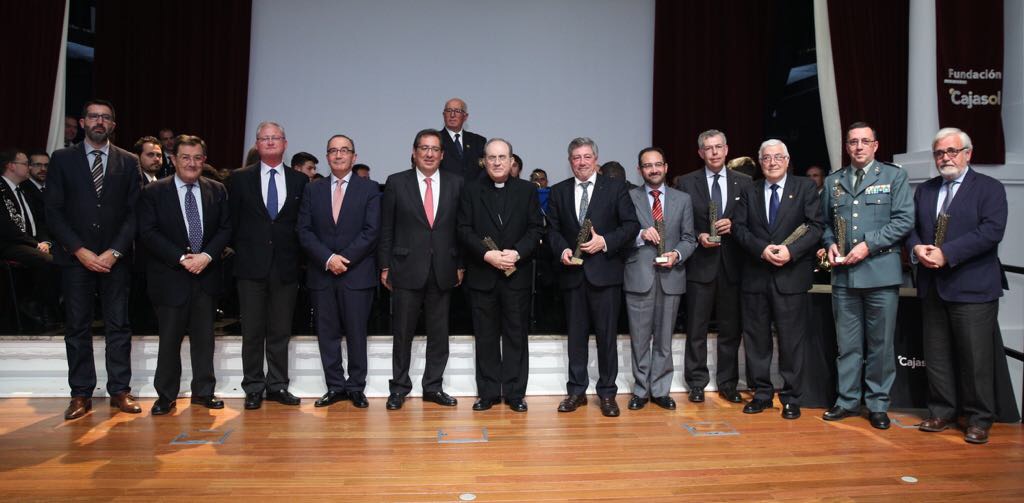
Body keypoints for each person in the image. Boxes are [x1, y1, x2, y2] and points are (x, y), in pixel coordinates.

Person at [908, 128, 1008, 444]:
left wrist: (947, 254)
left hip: (973, 287)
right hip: (932, 286)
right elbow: (910, 229)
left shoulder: (989, 188)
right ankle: (942, 412)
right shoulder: (924, 190)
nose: (945, 158)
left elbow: (991, 231)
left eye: (952, 151)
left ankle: (979, 419)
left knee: (976, 358)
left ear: (968, 153)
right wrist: (917, 249)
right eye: (939, 153)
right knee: (936, 355)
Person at [46, 99, 141, 420]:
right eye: (94, 117)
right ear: (83, 122)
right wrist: (79, 250)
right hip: (77, 258)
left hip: (115, 258)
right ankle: (80, 394)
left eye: (106, 118)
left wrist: (114, 251)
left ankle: (120, 391)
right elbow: (53, 211)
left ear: (113, 125)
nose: (99, 122)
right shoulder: (62, 159)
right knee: (77, 326)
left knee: (119, 325)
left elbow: (133, 213)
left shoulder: (128, 161)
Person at [820, 122, 913, 430]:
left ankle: (877, 404)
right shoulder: (834, 181)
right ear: (846, 147)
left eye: (864, 141)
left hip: (880, 274)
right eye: (852, 142)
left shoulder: (893, 176)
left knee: (880, 345)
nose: (858, 147)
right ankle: (846, 401)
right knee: (847, 345)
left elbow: (903, 221)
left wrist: (868, 246)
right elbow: (823, 224)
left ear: (875, 145)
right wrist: (829, 244)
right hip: (845, 277)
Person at [137, 135, 231, 415]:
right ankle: (166, 395)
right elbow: (148, 232)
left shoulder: (217, 190)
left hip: (206, 274)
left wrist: (206, 256)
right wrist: (181, 258)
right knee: (169, 340)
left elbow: (226, 228)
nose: (192, 163)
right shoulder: (154, 192)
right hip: (170, 276)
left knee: (205, 339)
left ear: (204, 160)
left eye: (197, 157)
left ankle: (204, 392)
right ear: (174, 160)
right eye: (185, 158)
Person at [547, 137, 639, 417]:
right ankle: (576, 391)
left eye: (587, 157)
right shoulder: (559, 191)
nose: (582, 162)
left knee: (606, 338)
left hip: (605, 274)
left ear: (596, 160)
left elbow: (631, 225)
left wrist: (605, 242)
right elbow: (551, 229)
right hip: (572, 275)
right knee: (575, 337)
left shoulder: (616, 188)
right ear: (570, 161)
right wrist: (561, 248)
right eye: (576, 157)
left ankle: (608, 393)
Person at [731, 139, 822, 420]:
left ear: (787, 159)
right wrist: (762, 250)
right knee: (756, 340)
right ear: (760, 162)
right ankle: (761, 394)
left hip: (791, 276)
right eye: (766, 158)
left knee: (791, 340)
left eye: (777, 157)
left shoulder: (804, 187)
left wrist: (790, 251)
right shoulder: (750, 190)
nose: (772, 162)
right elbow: (739, 228)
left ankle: (792, 396)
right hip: (756, 276)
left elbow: (816, 226)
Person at [378, 129, 464, 410]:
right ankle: (399, 388)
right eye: (424, 148)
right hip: (404, 268)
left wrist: (460, 263)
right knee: (402, 333)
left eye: (435, 149)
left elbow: (460, 230)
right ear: (414, 152)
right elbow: (386, 228)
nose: (429, 154)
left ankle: (433, 386)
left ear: (442, 154)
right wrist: (385, 265)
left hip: (443, 267)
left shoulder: (456, 183)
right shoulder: (395, 182)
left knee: (439, 333)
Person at [457, 138, 543, 412]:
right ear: (484, 160)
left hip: (516, 276)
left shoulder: (527, 190)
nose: (496, 162)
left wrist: (516, 253)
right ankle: (489, 392)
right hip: (483, 274)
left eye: (502, 157)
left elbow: (535, 229)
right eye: (491, 157)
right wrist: (487, 254)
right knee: (485, 336)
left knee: (517, 335)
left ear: (511, 161)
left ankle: (516, 393)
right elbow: (463, 229)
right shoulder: (470, 190)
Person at [226, 121, 308, 410]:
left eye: (276, 138)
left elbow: (302, 225)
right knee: (252, 331)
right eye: (265, 138)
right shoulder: (238, 179)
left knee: (279, 331)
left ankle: (277, 385)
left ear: (285, 144)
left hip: (286, 268)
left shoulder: (299, 181)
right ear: (257, 145)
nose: (270, 142)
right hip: (250, 267)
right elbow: (231, 223)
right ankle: (253, 386)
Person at [297, 135, 380, 409]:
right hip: (322, 273)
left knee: (357, 333)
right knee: (327, 334)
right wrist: (328, 258)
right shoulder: (313, 189)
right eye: (333, 151)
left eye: (344, 150)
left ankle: (356, 386)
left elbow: (371, 231)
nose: (338, 155)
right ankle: (334, 386)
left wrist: (344, 259)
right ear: (328, 156)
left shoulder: (369, 189)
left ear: (354, 157)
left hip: (356, 274)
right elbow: (304, 231)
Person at [675, 130, 751, 404]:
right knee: (696, 327)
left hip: (733, 265)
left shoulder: (745, 182)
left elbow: (752, 221)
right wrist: (697, 235)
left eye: (719, 147)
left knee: (731, 329)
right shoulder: (685, 182)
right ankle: (696, 382)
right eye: (709, 148)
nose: (715, 152)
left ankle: (728, 383)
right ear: (700, 153)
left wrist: (735, 226)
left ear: (727, 149)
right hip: (700, 265)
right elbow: (679, 223)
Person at [624, 147, 696, 411]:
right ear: (640, 170)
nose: (653, 170)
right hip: (639, 275)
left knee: (664, 338)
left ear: (666, 167)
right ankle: (641, 390)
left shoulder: (683, 199)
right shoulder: (628, 197)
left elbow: (690, 238)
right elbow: (620, 234)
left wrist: (677, 254)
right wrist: (641, 235)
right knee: (640, 339)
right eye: (647, 165)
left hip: (672, 275)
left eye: (657, 165)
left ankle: (661, 389)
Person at [439, 97, 486, 181]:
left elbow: (485, 171)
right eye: (449, 111)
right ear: (443, 115)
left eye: (457, 111)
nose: (452, 115)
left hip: (473, 192)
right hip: (445, 192)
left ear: (465, 117)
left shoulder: (478, 141)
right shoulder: (435, 140)